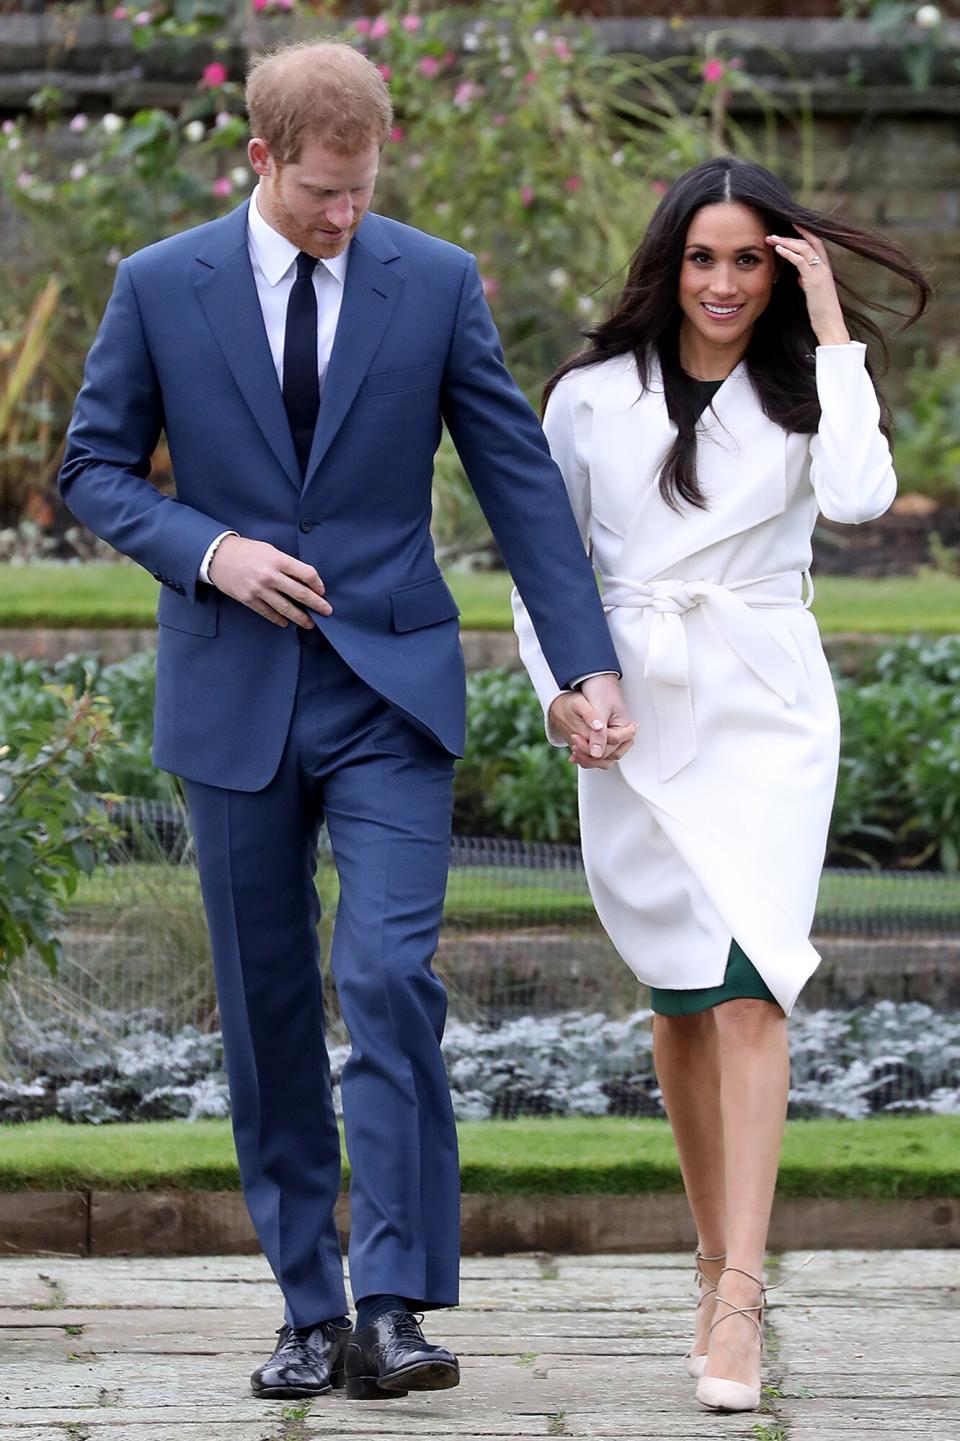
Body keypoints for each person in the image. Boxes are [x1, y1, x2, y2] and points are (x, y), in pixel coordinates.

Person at [58, 40, 631, 1403]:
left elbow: (518, 482)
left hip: (391, 689)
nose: (347, 215)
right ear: (259, 159)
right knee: (265, 1009)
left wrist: (584, 663)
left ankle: (392, 1304)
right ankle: (307, 1312)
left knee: (383, 977)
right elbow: (89, 466)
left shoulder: (431, 282)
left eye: (364, 188)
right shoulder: (158, 284)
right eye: (322, 193)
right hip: (232, 688)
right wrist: (211, 550)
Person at [513, 155, 929, 1414]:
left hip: (764, 708)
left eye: (753, 259)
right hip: (633, 703)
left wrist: (838, 327)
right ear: (668, 262)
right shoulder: (589, 397)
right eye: (705, 257)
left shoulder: (809, 391)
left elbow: (861, 499)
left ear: (781, 269)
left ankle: (743, 1289)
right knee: (685, 995)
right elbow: (549, 562)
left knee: (755, 981)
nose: (726, 283)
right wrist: (563, 687)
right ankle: (711, 1266)